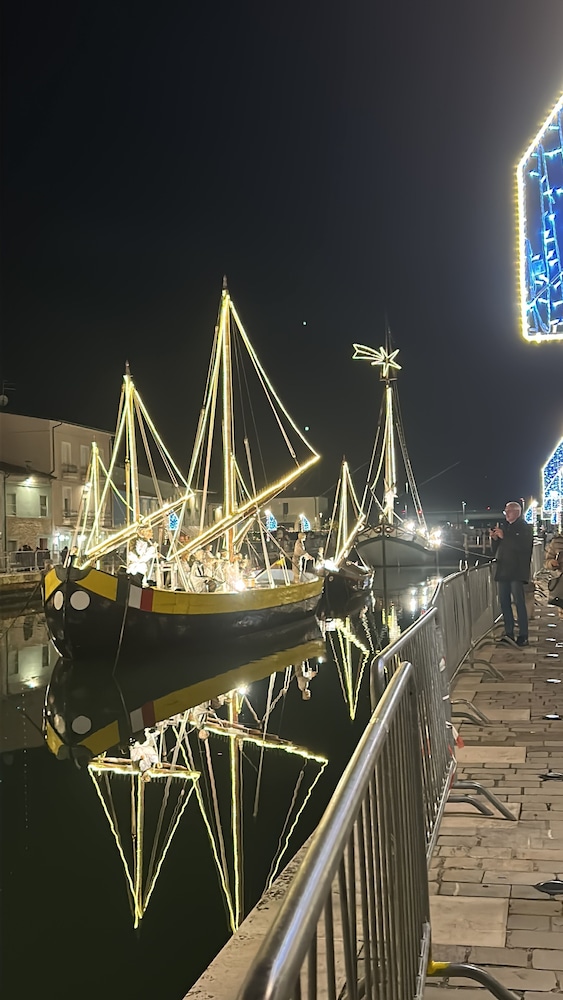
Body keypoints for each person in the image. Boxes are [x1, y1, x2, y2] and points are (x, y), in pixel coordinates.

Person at [490, 501, 533, 647]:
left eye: (508, 511)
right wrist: (495, 539)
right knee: (504, 602)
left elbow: (522, 546)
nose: (506, 514)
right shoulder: (506, 527)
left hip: (516, 571)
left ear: (517, 512)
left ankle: (523, 635)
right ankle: (509, 633)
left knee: (519, 602)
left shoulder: (525, 528)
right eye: (505, 511)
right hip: (504, 570)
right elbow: (497, 550)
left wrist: (505, 536)